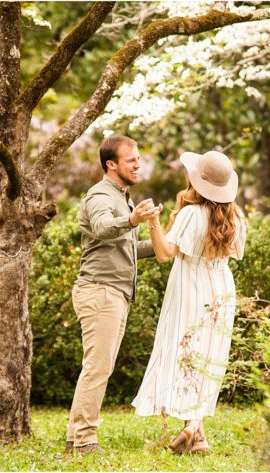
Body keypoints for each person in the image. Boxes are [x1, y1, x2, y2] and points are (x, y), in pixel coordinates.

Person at [132, 150, 247, 455]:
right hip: (221, 288)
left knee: (185, 353)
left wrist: (154, 223)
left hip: (189, 287)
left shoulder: (190, 214)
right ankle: (198, 436)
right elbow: (234, 254)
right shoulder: (236, 217)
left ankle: (192, 427)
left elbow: (164, 253)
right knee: (208, 358)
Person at [65, 135, 160, 454]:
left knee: (97, 366)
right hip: (100, 291)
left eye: (138, 158)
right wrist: (133, 220)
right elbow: (105, 227)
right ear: (112, 164)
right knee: (97, 368)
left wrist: (166, 242)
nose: (138, 164)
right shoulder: (100, 196)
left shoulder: (122, 197)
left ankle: (73, 437)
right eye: (131, 159)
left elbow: (127, 247)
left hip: (114, 293)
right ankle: (85, 439)